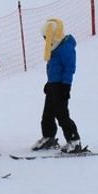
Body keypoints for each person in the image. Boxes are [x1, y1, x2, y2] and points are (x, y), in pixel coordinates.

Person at [32, 17, 83, 153]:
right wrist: (49, 84)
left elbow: (69, 68)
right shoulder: (55, 46)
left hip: (61, 86)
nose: (45, 40)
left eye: (46, 37)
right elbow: (53, 68)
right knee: (47, 113)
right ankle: (48, 137)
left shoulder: (66, 47)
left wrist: (66, 86)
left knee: (62, 114)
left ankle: (74, 140)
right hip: (53, 85)